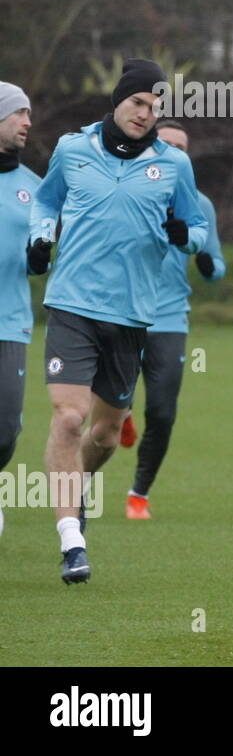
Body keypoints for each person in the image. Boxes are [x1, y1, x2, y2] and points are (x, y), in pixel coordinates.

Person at [29, 59, 208, 583]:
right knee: (68, 418)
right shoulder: (72, 148)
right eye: (137, 103)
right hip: (72, 306)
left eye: (155, 108)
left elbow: (197, 227)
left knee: (106, 436)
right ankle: (71, 540)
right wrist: (41, 238)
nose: (145, 115)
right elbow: (46, 202)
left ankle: (75, 486)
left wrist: (185, 236)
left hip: (132, 315)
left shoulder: (173, 165)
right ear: (118, 100)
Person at [122, 119, 226, 519]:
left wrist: (204, 261)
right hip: (123, 312)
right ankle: (122, 413)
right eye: (167, 143)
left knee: (163, 412)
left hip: (169, 319)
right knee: (110, 409)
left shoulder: (199, 204)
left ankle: (139, 494)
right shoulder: (126, 191)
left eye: (181, 146)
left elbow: (216, 267)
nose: (175, 150)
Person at [0, 82, 43, 539]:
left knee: (5, 429)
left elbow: (49, 253)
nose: (28, 122)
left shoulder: (36, 188)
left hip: (9, 322)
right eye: (19, 113)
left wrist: (41, 257)